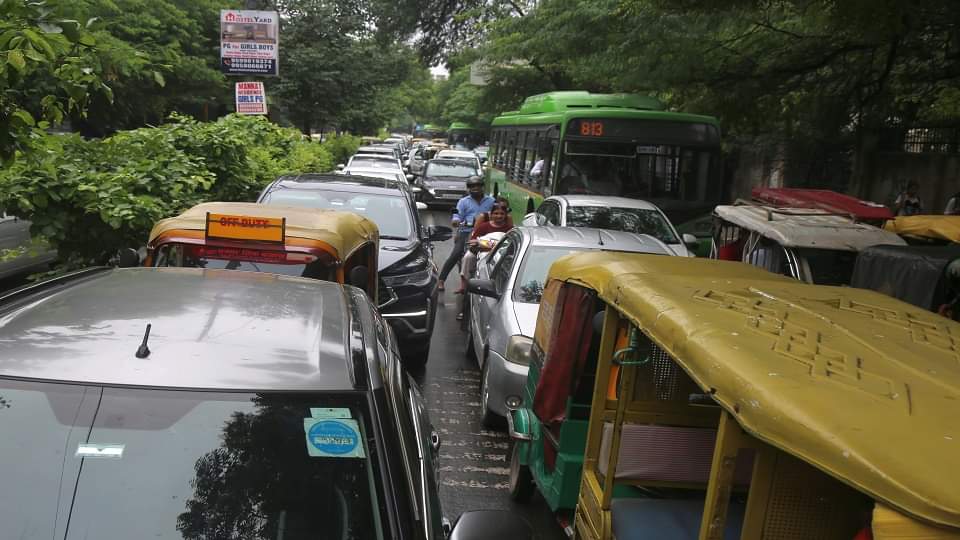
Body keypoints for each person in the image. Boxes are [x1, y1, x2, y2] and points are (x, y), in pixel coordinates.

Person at [437, 178, 494, 291]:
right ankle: (441, 280)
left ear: (483, 187)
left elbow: (497, 214)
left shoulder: (491, 201)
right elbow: (457, 216)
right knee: (456, 254)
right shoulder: (463, 201)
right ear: (469, 188)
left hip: (485, 233)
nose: (475, 188)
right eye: (472, 186)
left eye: (478, 185)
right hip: (466, 231)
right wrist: (456, 221)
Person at [457, 202, 513, 303]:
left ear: (505, 215)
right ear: (491, 215)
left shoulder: (510, 229)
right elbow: (472, 241)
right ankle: (465, 284)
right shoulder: (483, 226)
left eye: (501, 214)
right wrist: (484, 244)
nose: (499, 216)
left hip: (500, 253)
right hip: (481, 251)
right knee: (468, 258)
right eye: (496, 213)